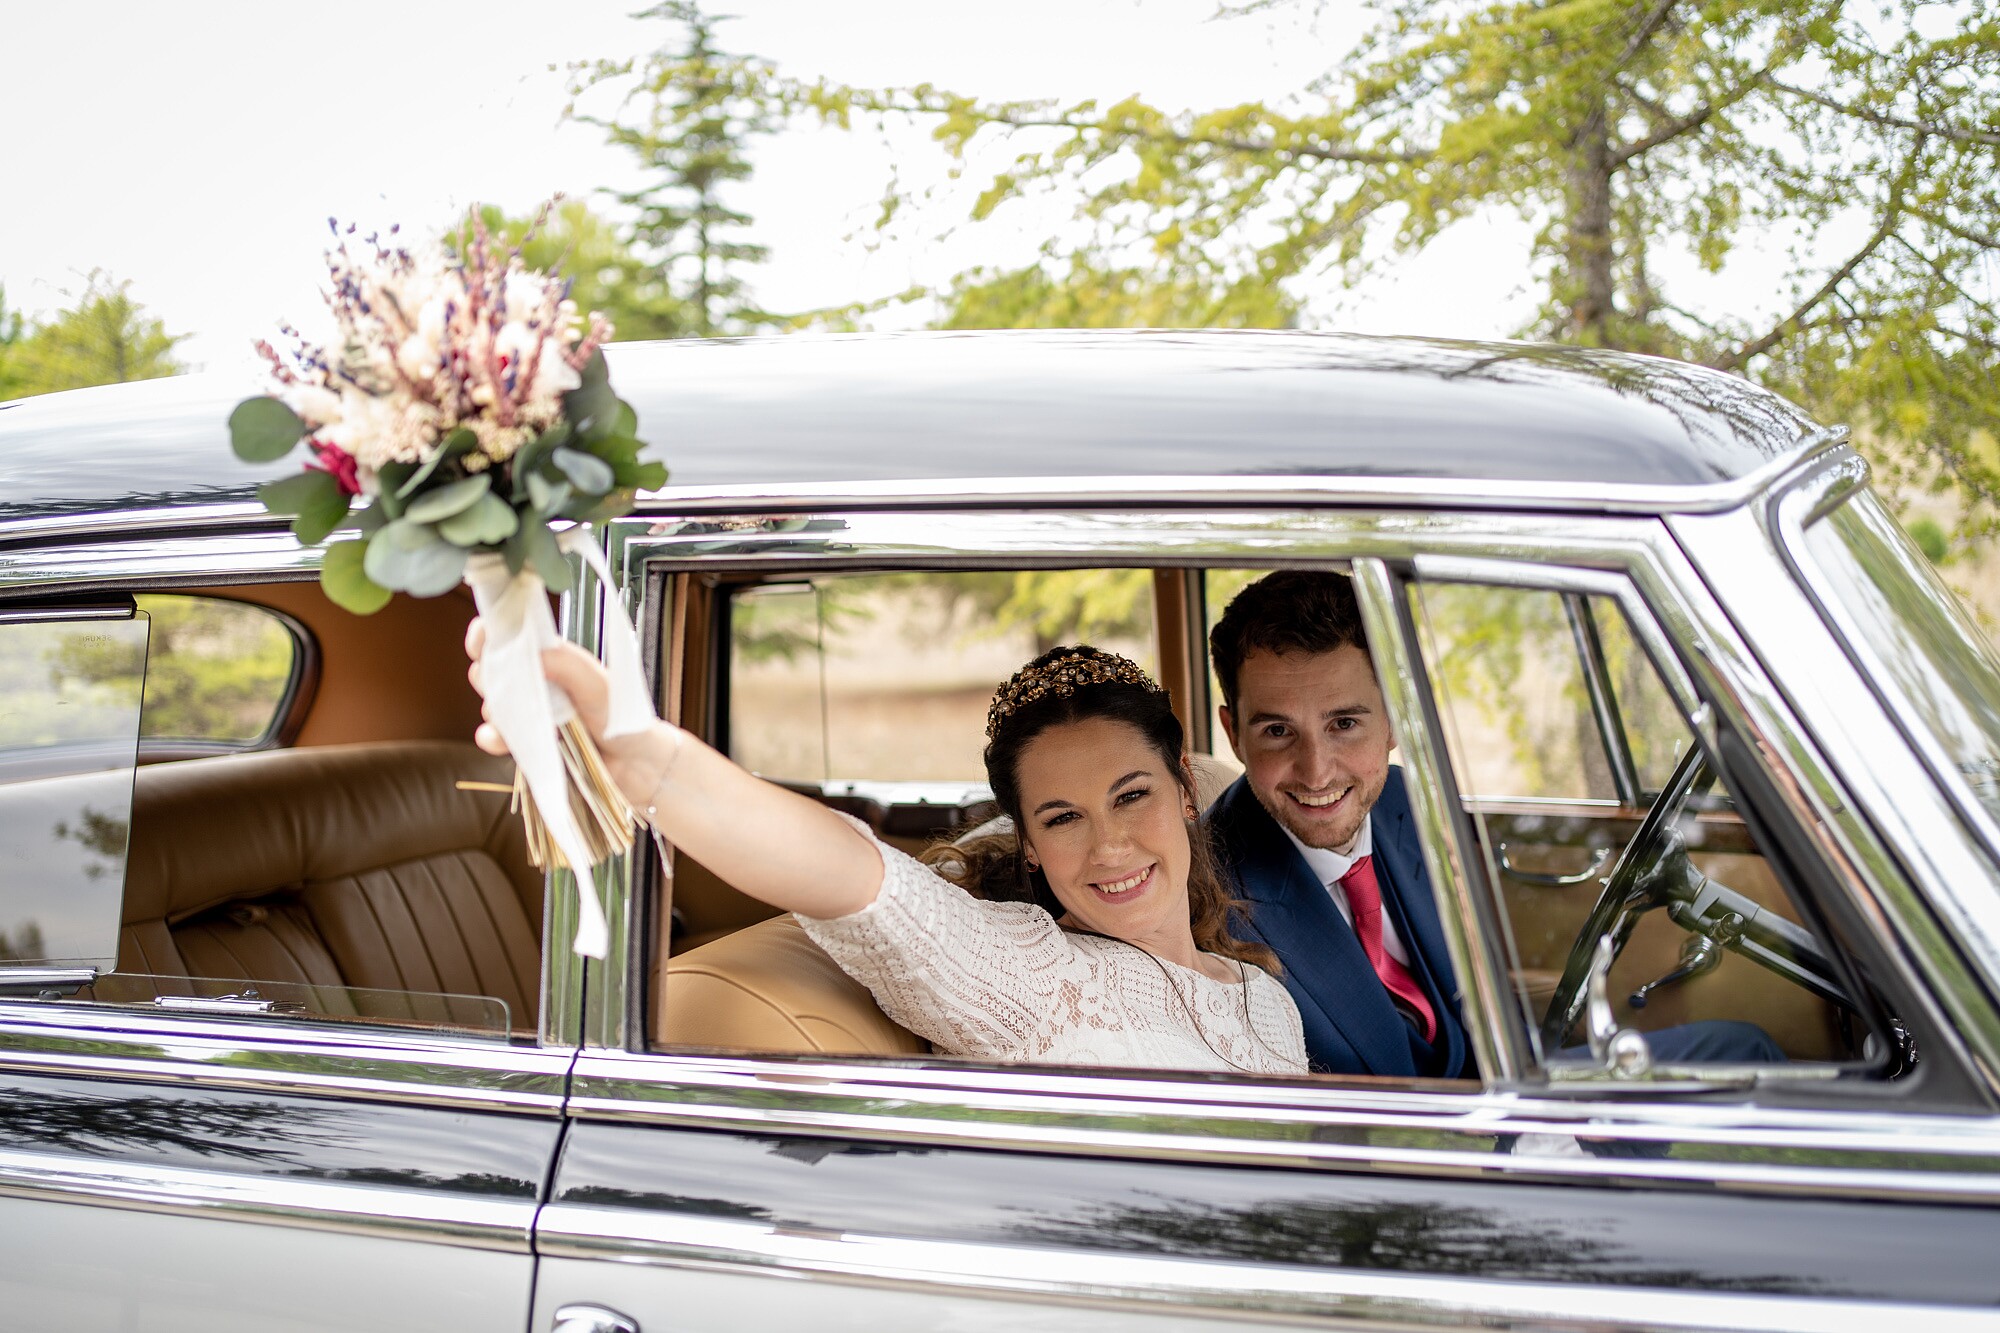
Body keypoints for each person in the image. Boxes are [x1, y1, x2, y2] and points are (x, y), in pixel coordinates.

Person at [469, 628, 1306, 1075]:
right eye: (1062, 818)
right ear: (1032, 850)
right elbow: (858, 880)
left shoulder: (1267, 995)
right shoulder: (1033, 979)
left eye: (1132, 796)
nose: (1110, 844)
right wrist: (648, 762)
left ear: (1186, 793)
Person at [1205, 571, 1782, 1077]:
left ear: (1394, 720)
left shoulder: (1406, 800)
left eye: (1345, 724)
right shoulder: (1209, 895)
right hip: (1423, 1156)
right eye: (1277, 731)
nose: (1316, 771)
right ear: (1234, 734)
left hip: (1499, 1087)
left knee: (1745, 1051)